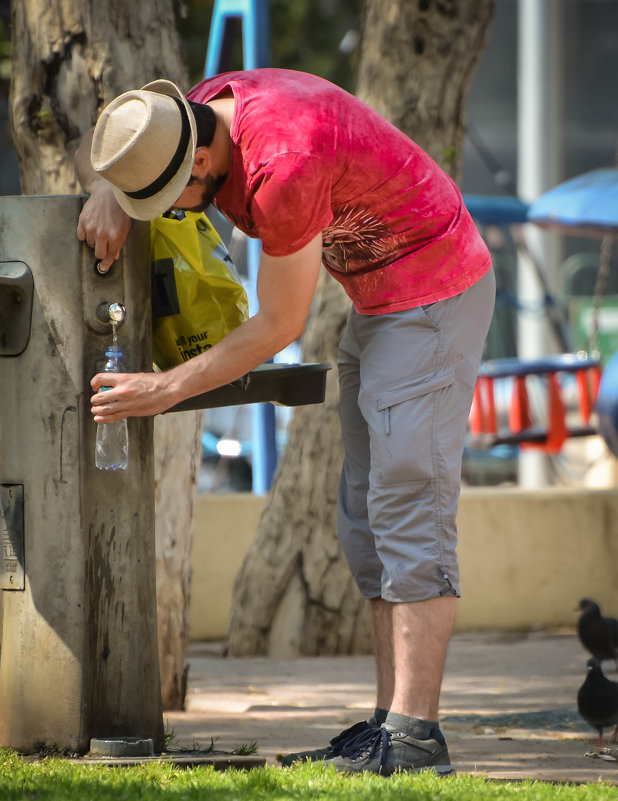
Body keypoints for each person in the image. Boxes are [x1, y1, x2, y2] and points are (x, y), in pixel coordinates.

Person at [75, 69, 495, 776]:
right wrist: (108, 190)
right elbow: (142, 135)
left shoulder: (285, 163)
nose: (167, 214)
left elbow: (279, 322)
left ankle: (418, 734)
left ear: (201, 163)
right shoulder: (199, 110)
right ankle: (390, 725)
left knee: (408, 504)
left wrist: (164, 388)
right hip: (378, 303)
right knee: (366, 517)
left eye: (163, 200)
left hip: (432, 295)